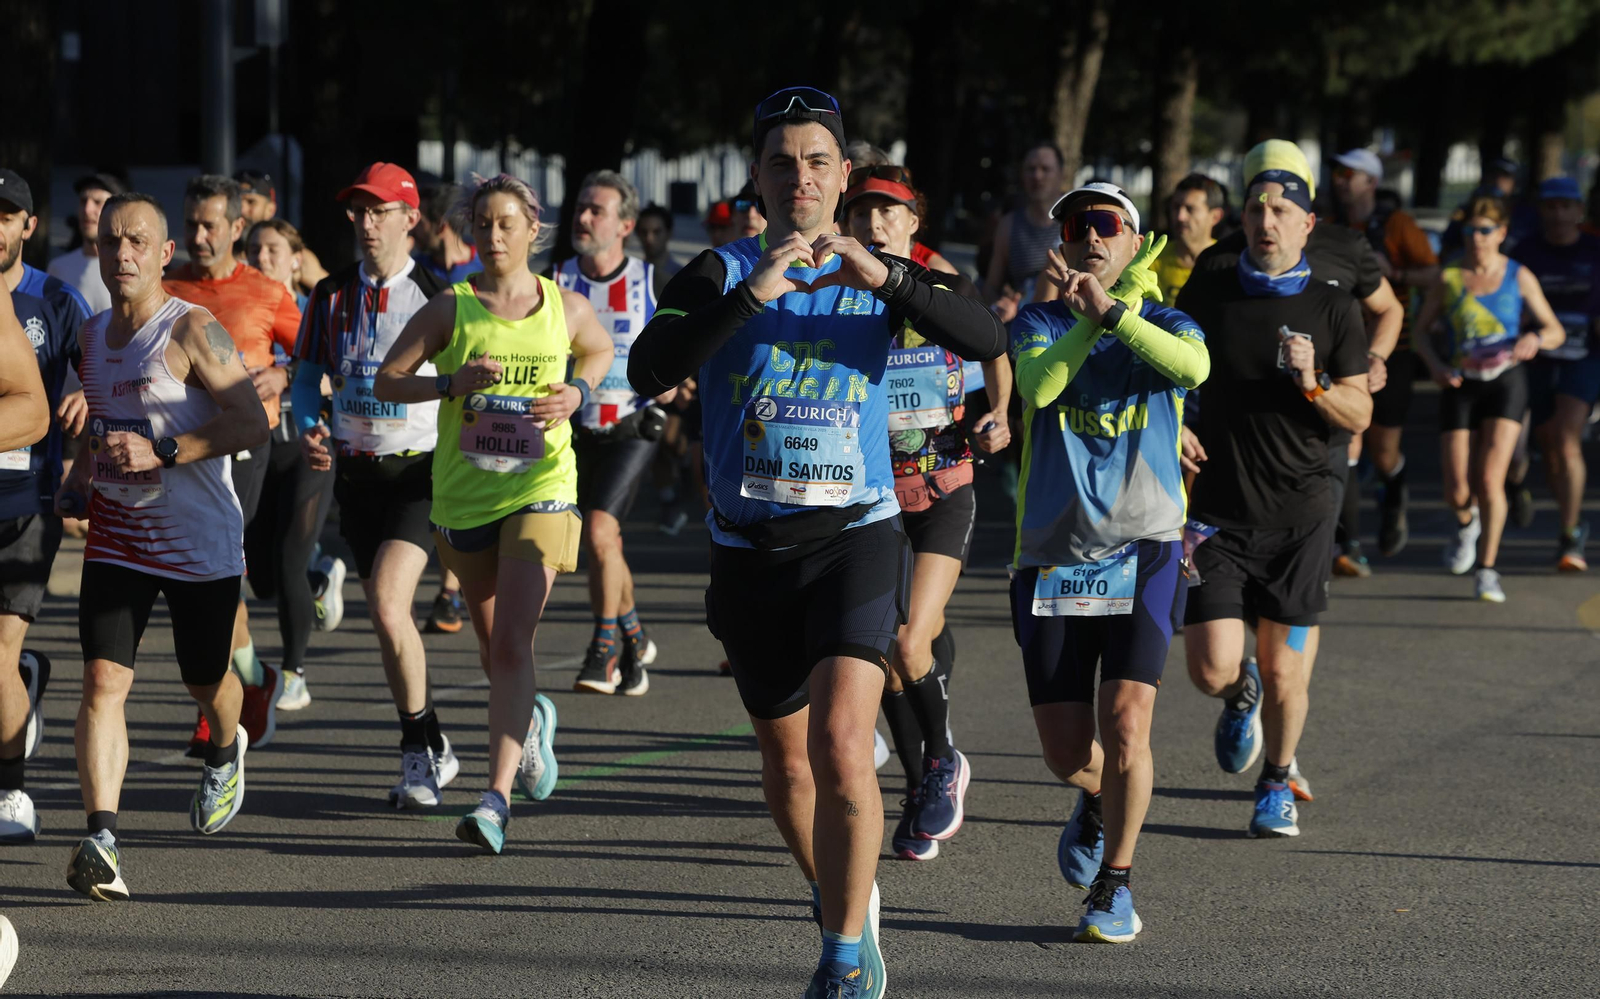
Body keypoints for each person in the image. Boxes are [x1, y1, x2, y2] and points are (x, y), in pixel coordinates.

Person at [629, 86, 1006, 998]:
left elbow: (984, 331)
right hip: (750, 550)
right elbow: (650, 367)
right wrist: (754, 297)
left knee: (843, 746)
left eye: (817, 160)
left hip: (857, 536)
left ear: (842, 175)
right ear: (756, 177)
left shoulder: (883, 271)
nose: (799, 176)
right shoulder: (719, 272)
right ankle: (840, 897)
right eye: (781, 161)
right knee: (786, 765)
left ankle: (842, 953)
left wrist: (884, 275)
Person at [376, 172, 612, 853]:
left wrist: (578, 391)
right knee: (493, 649)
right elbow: (389, 378)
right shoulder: (451, 307)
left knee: (511, 642)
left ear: (532, 229)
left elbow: (599, 349)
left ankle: (494, 798)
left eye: (508, 223)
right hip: (464, 495)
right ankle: (531, 716)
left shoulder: (562, 307)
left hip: (542, 486)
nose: (495, 235)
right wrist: (450, 383)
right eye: (483, 224)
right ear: (467, 232)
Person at [60, 192, 270, 900]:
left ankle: (225, 745)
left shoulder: (192, 330)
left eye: (137, 242)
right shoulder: (90, 338)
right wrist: (80, 477)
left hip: (197, 542)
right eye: (111, 240)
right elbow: (103, 432)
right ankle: (102, 838)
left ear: (163, 252)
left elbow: (251, 422)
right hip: (117, 537)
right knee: (102, 681)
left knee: (205, 683)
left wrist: (166, 450)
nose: (122, 253)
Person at [1013, 182, 1208, 942]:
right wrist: (1090, 324)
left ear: (1132, 241)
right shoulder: (1037, 322)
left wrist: (1118, 315)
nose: (1089, 235)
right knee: (1069, 753)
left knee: (1127, 721)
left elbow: (1193, 369)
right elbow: (1039, 386)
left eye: (1106, 224)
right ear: (1061, 245)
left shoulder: (1163, 319)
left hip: (1148, 549)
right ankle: (1095, 796)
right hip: (1055, 558)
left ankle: (1116, 881)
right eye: (1074, 225)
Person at [1177, 165, 1372, 839]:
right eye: (1258, 209)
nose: (1267, 222)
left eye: (1282, 211)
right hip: (1218, 513)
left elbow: (1359, 413)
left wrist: (1313, 381)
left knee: (1286, 665)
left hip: (1302, 514)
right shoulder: (1210, 291)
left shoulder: (1334, 306)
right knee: (1209, 668)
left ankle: (1276, 779)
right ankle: (1240, 694)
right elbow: (1167, 372)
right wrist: (1175, 423)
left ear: (1307, 225)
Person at [842, 163, 1009, 861]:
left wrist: (1000, 411)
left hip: (942, 487)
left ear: (915, 224)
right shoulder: (839, 297)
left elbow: (993, 346)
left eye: (890, 214)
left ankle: (944, 757)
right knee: (884, 652)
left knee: (908, 641)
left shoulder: (945, 289)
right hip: (869, 496)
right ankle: (920, 787)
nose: (875, 225)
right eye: (863, 214)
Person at [290, 162, 461, 807]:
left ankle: (417, 753)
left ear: (409, 219)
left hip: (419, 474)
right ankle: (432, 742)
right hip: (354, 477)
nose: (365, 223)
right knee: (388, 625)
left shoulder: (441, 297)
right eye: (358, 211)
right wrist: (310, 426)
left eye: (379, 211)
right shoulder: (330, 295)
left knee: (390, 608)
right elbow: (308, 379)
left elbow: (465, 387)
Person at [164, 174, 303, 750]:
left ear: (236, 228)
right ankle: (250, 680)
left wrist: (285, 374)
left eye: (210, 225)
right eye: (192, 223)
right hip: (181, 450)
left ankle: (215, 701)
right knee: (209, 575)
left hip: (245, 447)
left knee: (219, 571)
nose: (199, 235)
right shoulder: (167, 289)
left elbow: (314, 355)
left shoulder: (267, 291)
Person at [551, 171, 670, 696]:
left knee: (599, 533)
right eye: (580, 207)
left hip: (631, 425)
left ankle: (605, 651)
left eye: (595, 210)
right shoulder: (554, 281)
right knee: (603, 543)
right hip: (572, 430)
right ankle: (634, 632)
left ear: (624, 224)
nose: (582, 218)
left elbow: (682, 347)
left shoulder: (651, 280)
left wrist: (675, 380)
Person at [1412, 194, 1564, 601]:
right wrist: (1435, 366)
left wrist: (1534, 337)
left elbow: (1555, 329)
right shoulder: (1449, 278)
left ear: (1501, 233)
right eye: (1470, 231)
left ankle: (1487, 567)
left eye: (1484, 231)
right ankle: (1466, 525)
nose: (1476, 238)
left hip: (1506, 382)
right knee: (1457, 489)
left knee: (1488, 478)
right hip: (1460, 383)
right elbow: (1420, 331)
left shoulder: (1519, 276)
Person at [242, 220, 343, 709]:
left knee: (287, 563)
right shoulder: (240, 313)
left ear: (296, 259)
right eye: (255, 249)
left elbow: (339, 380)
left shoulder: (313, 311)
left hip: (309, 448)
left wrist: (286, 374)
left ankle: (294, 671)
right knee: (261, 578)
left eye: (274, 249)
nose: (263, 258)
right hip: (256, 453)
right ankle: (321, 580)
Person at [1328, 149, 1439, 569]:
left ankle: (1395, 489)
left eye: (1349, 175)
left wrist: (1393, 273)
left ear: (1371, 182)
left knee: (1383, 450)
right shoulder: (1331, 228)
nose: (1340, 181)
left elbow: (1434, 274)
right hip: (1341, 351)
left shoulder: (1398, 225)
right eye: (1337, 173)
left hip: (1395, 349)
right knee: (1348, 445)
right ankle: (1349, 545)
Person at [0, 280, 65, 845]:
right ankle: (22, 680)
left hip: (23, 503)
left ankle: (10, 790)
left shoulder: (54, 302)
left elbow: (37, 407)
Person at [1514, 176, 1600, 572]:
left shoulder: (1594, 251)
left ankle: (1570, 532)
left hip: (1584, 356)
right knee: (1548, 443)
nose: (1559, 214)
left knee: (1566, 439)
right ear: (1541, 210)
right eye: (1551, 206)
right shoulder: (1526, 252)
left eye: (1567, 206)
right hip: (1537, 356)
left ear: (1579, 211)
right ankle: (1559, 509)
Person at [983, 142, 1067, 322]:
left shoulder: (1076, 220)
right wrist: (999, 305)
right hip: (1021, 320)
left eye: (1045, 169)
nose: (1037, 176)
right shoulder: (1009, 224)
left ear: (1061, 174)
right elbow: (991, 286)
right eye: (1031, 169)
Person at [235, 169, 329, 293]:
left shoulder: (294, 255)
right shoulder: (219, 255)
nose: (242, 210)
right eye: (236, 203)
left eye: (251, 202)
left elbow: (334, 294)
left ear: (270, 209)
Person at [47, 173, 123, 315]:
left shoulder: (131, 268)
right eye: (83, 201)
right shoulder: (58, 268)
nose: (87, 210)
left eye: (97, 202)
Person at [1152, 173, 1227, 305]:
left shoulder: (1229, 263)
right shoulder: (1152, 260)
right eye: (1176, 207)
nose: (1180, 217)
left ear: (1215, 216)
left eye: (1190, 209)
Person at [413, 180, 483, 284]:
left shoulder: (486, 267)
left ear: (441, 227)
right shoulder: (415, 270)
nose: (412, 228)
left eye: (419, 222)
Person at [635, 203, 681, 297]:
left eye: (656, 232)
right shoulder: (633, 276)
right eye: (644, 232)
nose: (649, 238)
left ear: (669, 233)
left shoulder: (682, 276)